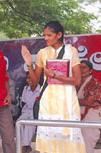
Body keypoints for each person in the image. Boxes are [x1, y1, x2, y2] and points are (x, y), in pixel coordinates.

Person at [21, 21, 86, 153]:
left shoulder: (71, 51)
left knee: (69, 139)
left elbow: (77, 80)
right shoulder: (42, 53)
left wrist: (54, 75)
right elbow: (34, 82)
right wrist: (29, 64)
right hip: (48, 101)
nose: (45, 38)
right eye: (44, 35)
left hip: (67, 101)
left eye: (49, 35)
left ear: (59, 35)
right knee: (49, 142)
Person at [77, 60, 101, 153]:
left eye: (84, 67)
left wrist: (72, 101)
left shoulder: (94, 83)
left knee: (87, 144)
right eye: (79, 67)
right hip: (77, 117)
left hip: (91, 117)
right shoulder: (77, 82)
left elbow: (89, 102)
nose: (81, 69)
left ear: (90, 70)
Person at [16, 72, 40, 153]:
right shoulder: (25, 89)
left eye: (31, 78)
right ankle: (24, 145)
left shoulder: (40, 89)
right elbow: (24, 103)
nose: (30, 80)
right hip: (26, 112)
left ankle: (26, 145)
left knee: (30, 123)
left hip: (36, 112)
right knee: (19, 123)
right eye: (28, 78)